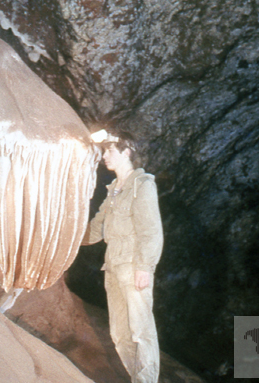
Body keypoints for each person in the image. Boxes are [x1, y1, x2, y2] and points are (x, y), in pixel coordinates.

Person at [84, 131, 164, 383]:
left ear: (126, 152)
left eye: (110, 151)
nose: (104, 156)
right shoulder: (113, 192)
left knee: (141, 331)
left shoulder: (142, 186)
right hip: (113, 266)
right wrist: (64, 238)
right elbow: (96, 229)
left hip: (133, 266)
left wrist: (145, 267)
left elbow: (151, 231)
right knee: (120, 334)